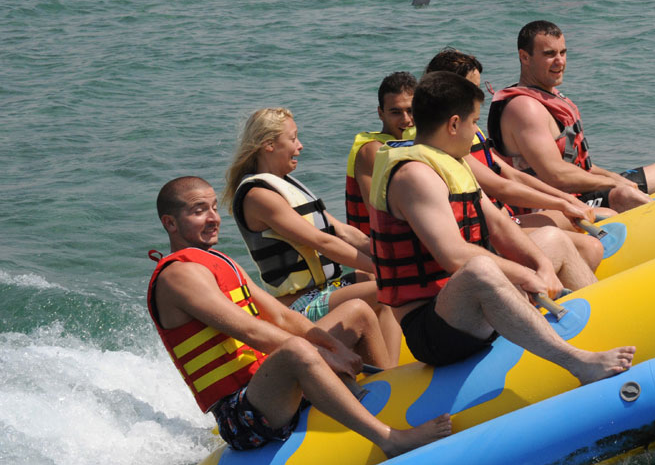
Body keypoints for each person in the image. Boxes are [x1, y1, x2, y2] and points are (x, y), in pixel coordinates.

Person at [148, 176, 450, 454]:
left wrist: (334, 346)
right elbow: (250, 332)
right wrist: (324, 354)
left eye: (214, 208)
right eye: (199, 211)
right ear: (170, 223)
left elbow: (283, 317)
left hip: (273, 384)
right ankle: (389, 439)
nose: (213, 218)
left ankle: (392, 401)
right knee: (295, 349)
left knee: (356, 311)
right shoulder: (178, 277)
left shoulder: (219, 262)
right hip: (242, 412)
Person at [368, 72, 635, 383]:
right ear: (454, 124)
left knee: (552, 239)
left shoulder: (451, 162)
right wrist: (523, 275)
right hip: (435, 327)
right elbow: (453, 256)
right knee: (480, 270)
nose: (475, 133)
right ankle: (577, 363)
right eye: (473, 122)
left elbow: (498, 225)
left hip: (470, 301)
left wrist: (542, 266)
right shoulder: (414, 176)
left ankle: (610, 329)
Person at [224, 108, 401, 365]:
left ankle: (376, 360)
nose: (300, 146)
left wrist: (394, 258)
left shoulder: (288, 184)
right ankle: (390, 378)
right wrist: (391, 273)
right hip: (299, 306)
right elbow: (323, 242)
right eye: (293, 138)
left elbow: (343, 232)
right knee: (388, 287)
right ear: (269, 145)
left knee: (373, 277)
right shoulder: (259, 196)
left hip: (325, 290)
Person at [426, 48, 608, 270]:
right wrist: (561, 203)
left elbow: (512, 175)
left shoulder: (471, 132)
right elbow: (501, 187)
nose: (477, 97)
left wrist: (568, 201)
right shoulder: (444, 143)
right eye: (470, 89)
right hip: (491, 232)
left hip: (505, 220)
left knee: (606, 217)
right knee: (589, 246)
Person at [487, 20, 655, 213]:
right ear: (524, 57)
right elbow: (555, 175)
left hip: (575, 191)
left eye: (563, 52)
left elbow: (580, 167)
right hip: (549, 205)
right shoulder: (524, 107)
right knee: (625, 195)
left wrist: (612, 177)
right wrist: (614, 182)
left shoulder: (549, 96)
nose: (560, 61)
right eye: (549, 54)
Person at [345, 71, 416, 236]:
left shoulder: (420, 143)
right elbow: (378, 214)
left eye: (411, 110)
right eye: (396, 112)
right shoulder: (372, 151)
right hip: (381, 253)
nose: (406, 119)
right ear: (380, 113)